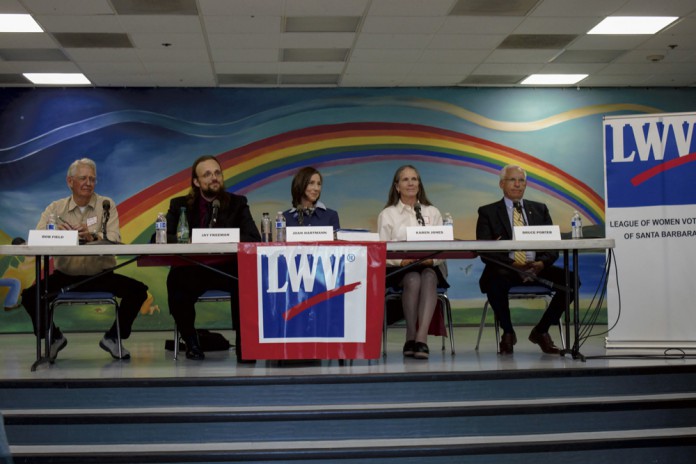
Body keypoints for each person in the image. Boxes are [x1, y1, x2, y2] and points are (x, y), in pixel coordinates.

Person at [21, 158, 148, 360]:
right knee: (30, 296)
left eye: (92, 179)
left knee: (138, 291)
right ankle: (53, 337)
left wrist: (93, 236)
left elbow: (115, 238)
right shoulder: (55, 208)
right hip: (66, 276)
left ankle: (114, 338)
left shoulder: (106, 205)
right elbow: (38, 238)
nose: (88, 183)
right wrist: (57, 234)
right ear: (70, 181)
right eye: (83, 178)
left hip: (101, 275)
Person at [165, 155, 261, 361]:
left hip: (227, 268)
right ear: (196, 181)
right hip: (192, 268)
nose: (214, 178)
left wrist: (227, 237)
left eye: (217, 173)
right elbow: (160, 237)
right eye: (207, 174)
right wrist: (190, 239)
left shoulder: (237, 203)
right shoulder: (180, 205)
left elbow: (254, 238)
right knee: (175, 281)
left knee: (246, 280)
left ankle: (245, 346)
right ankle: (191, 342)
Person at [476, 164, 575, 355]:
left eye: (521, 180)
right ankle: (508, 332)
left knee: (571, 280)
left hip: (536, 267)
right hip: (506, 268)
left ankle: (541, 331)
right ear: (501, 184)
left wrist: (541, 263)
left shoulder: (540, 209)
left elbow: (552, 246)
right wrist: (514, 265)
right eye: (512, 180)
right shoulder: (488, 212)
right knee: (493, 280)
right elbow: (485, 251)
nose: (517, 184)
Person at [377, 165, 448, 360]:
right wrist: (401, 261)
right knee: (413, 279)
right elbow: (382, 250)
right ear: (397, 186)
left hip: (429, 266)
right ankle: (410, 334)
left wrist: (433, 259)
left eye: (414, 179)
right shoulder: (388, 214)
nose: (410, 183)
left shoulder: (432, 212)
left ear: (419, 184)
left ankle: (421, 338)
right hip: (399, 269)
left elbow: (444, 246)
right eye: (405, 179)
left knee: (428, 276)